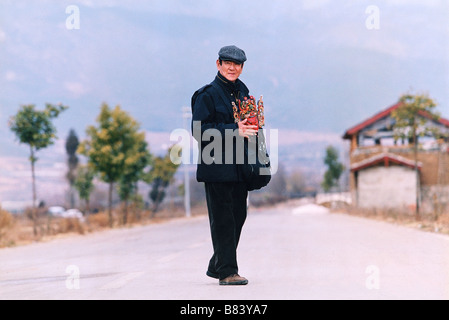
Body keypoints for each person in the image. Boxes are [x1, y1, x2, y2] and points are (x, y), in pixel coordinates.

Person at [191, 45, 258, 285]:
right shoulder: (206, 94)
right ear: (218, 64)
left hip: (239, 166)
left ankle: (217, 264)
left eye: (237, 64)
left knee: (238, 215)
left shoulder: (243, 91)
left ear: (242, 67)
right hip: (216, 166)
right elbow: (199, 131)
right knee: (223, 219)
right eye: (227, 63)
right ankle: (228, 272)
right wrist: (234, 130)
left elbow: (248, 126)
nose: (232, 68)